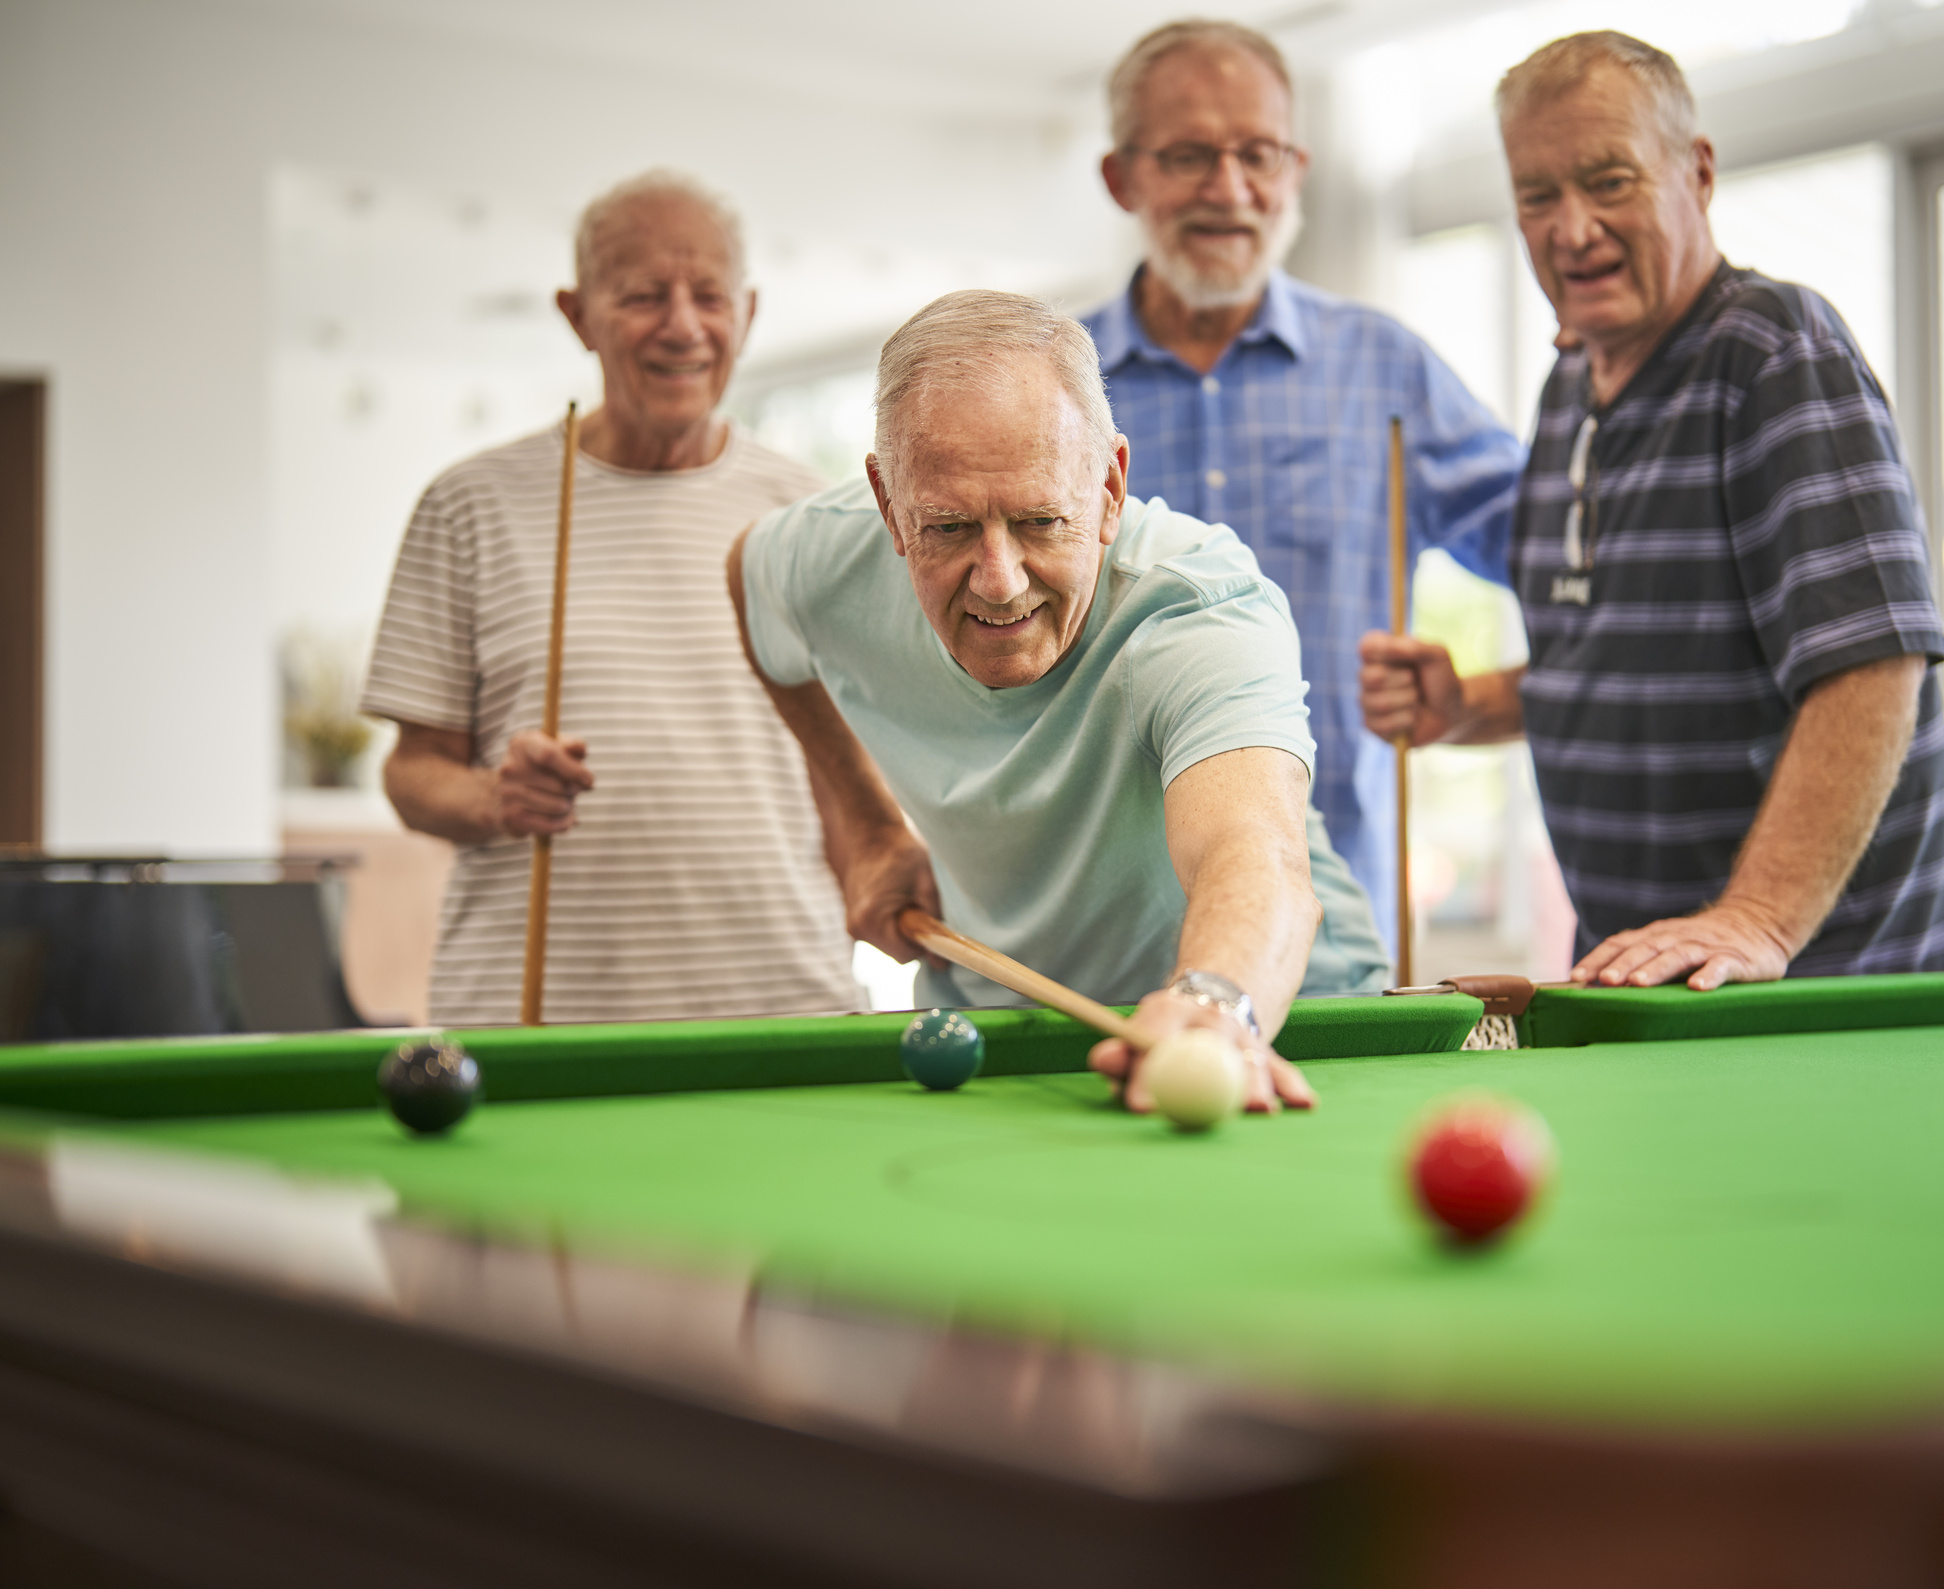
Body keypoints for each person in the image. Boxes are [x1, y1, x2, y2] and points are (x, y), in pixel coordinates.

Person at [1361, 31, 1944, 991]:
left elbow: (1872, 667)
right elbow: (1626, 666)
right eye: (1538, 195)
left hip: (1800, 999)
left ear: (1700, 173)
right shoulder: (1569, 385)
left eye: (1609, 181)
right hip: (1638, 985)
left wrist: (1757, 920)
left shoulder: (1776, 352)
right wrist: (1466, 705)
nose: (1573, 228)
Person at [730, 290, 1389, 1114]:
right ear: (887, 503)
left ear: (1110, 486)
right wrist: (865, 829)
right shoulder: (819, 558)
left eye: (1041, 521)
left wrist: (1220, 1004)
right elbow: (754, 587)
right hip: (1004, 1034)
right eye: (948, 528)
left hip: (1270, 1028)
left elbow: (1253, 850)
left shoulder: (1197, 606)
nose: (999, 581)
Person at [362, 171, 861, 1026]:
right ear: (577, 313)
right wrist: (492, 798)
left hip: (783, 1006)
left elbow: (846, 778)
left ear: (748, 312)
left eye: (708, 294)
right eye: (641, 295)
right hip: (534, 1019)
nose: (682, 325)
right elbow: (410, 774)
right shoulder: (470, 503)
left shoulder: (813, 512)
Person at [1083, 20, 1527, 952]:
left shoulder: (1386, 366)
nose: (1231, 189)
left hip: (1330, 923)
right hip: (1095, 916)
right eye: (1190, 156)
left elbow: (1570, 558)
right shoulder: (1057, 383)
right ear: (1122, 177)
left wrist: (1480, 700)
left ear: (1298, 168)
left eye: (1259, 153)